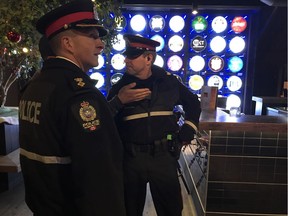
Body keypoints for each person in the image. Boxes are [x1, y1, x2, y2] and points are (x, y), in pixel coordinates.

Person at [18, 1, 126, 215]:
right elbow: (99, 178)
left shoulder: (36, 85)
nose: (101, 44)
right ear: (68, 42)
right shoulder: (78, 95)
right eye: (93, 36)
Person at [107, 34, 201, 216]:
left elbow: (193, 104)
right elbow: (106, 121)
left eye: (132, 56)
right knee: (128, 210)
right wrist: (119, 101)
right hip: (131, 160)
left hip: (164, 157)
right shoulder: (120, 88)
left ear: (148, 58)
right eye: (127, 55)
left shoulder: (169, 82)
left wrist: (187, 132)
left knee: (171, 210)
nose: (126, 60)